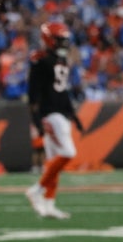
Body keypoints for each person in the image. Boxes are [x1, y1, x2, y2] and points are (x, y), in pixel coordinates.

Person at [25, 21, 82, 220]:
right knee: (68, 153)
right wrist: (36, 118)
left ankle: (49, 205)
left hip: (61, 113)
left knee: (53, 163)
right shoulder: (40, 59)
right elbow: (33, 93)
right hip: (50, 114)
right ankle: (37, 189)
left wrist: (73, 114)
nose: (64, 44)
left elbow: (62, 90)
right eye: (60, 40)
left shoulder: (60, 60)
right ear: (50, 39)